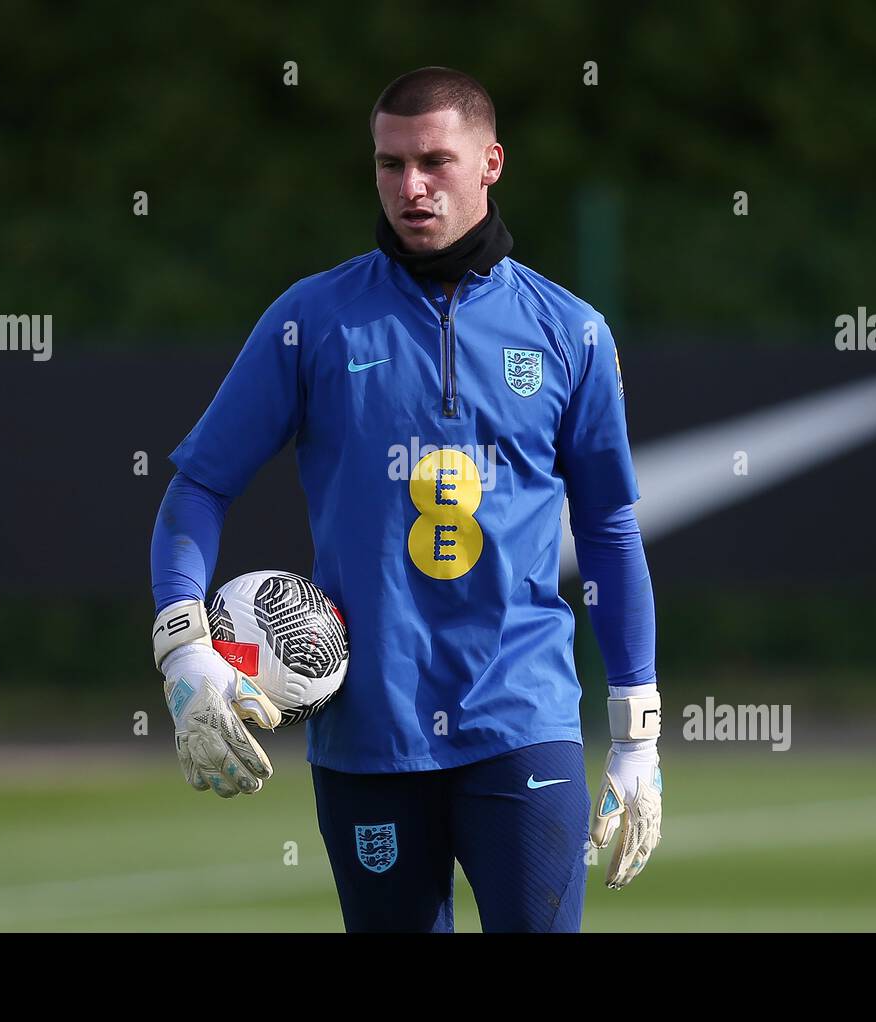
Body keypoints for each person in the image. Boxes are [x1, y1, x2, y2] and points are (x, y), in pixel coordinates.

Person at [149, 66, 661, 932]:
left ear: (491, 162)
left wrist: (637, 727)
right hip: (367, 729)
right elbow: (197, 486)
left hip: (521, 716)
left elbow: (609, 526)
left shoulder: (569, 330)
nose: (410, 186)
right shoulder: (311, 320)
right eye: (390, 164)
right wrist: (183, 647)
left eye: (435, 161)